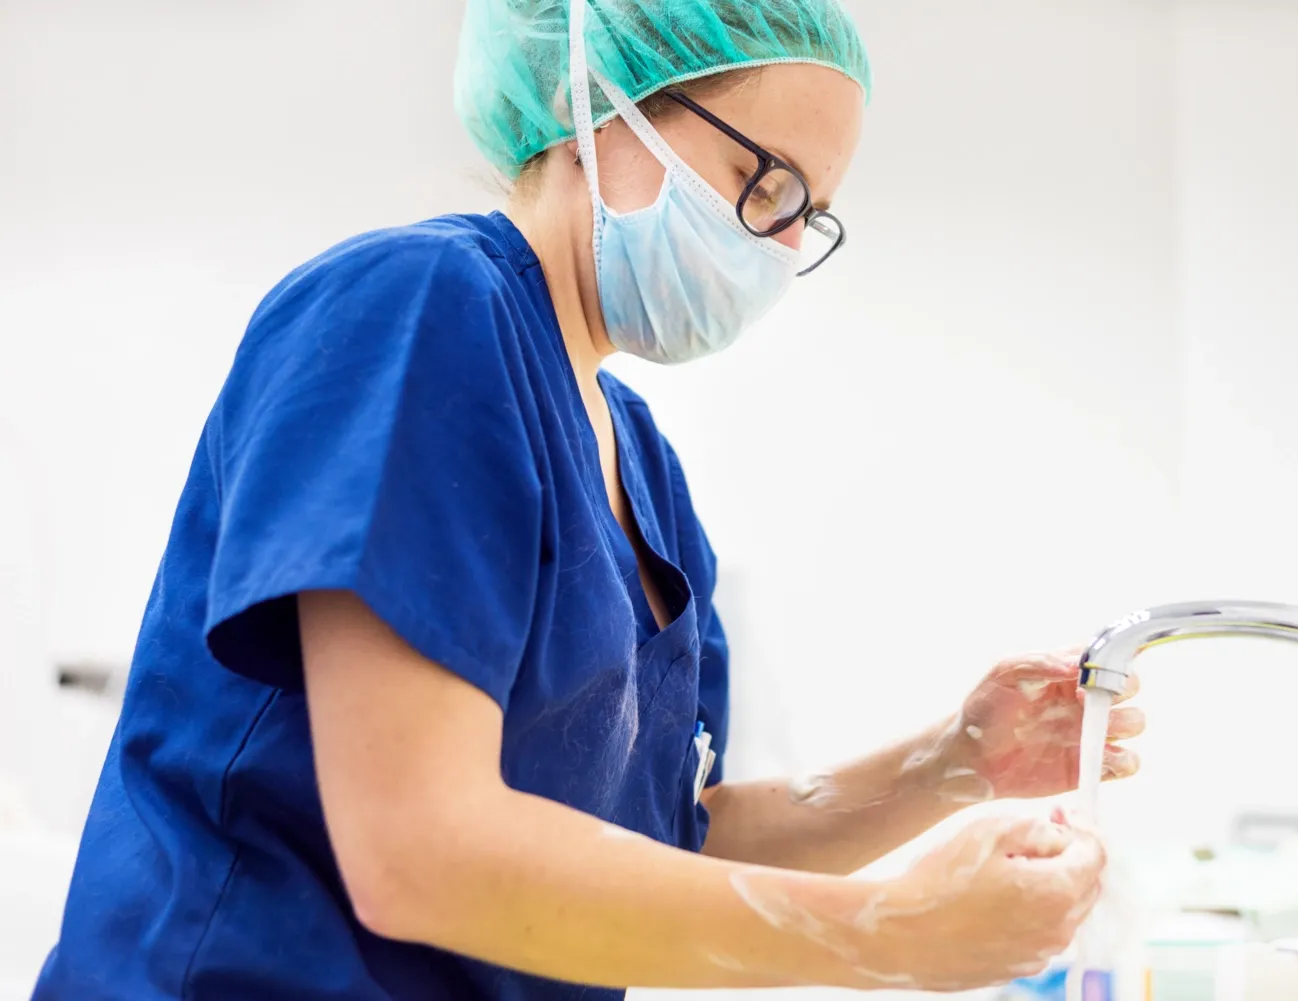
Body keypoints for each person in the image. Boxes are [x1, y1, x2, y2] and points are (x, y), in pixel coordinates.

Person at [33, 1, 1145, 997]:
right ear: (594, 106)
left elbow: (663, 844)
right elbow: (418, 847)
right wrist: (881, 934)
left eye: (813, 217)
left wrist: (950, 761)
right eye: (770, 184)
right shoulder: (419, 309)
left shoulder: (642, 465)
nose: (786, 241)